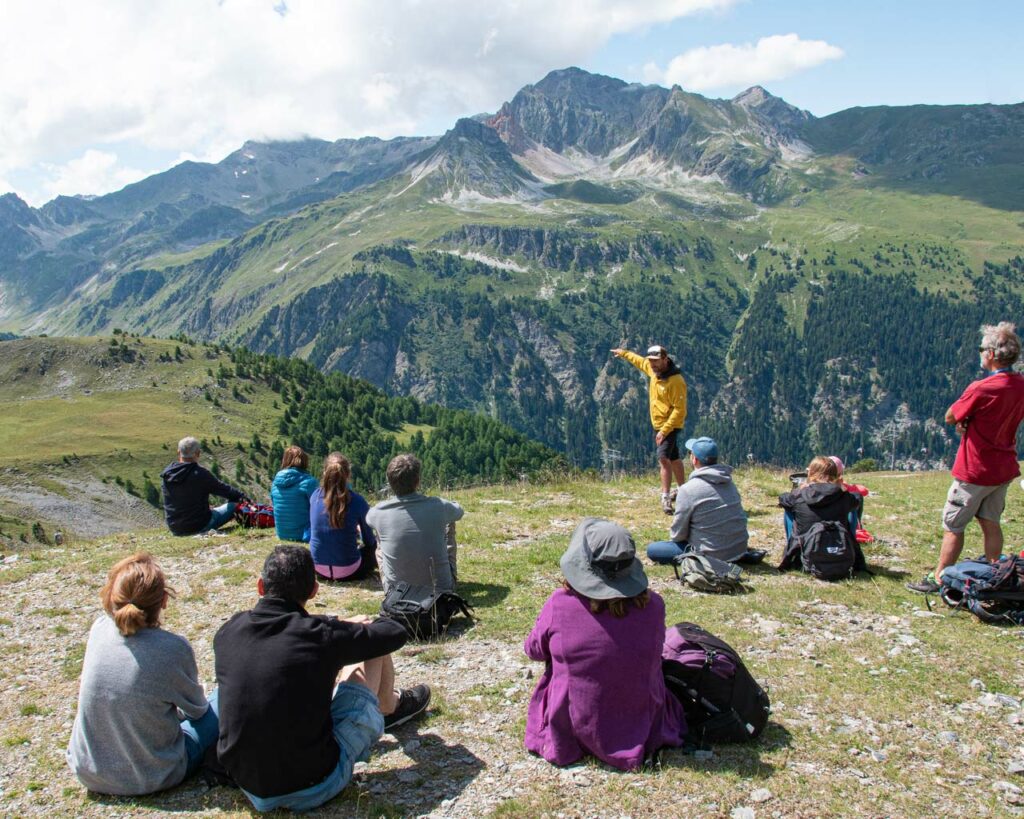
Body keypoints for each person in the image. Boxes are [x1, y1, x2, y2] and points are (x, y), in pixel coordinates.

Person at [213, 546, 431, 812]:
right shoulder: (319, 636)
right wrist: (354, 625)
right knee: (371, 643)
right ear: (314, 591)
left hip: (246, 782)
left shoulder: (228, 631)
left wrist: (332, 624)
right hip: (313, 784)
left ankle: (387, 706)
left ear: (260, 586)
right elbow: (393, 634)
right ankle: (388, 707)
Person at [524, 518, 685, 771]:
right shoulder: (654, 606)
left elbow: (533, 650)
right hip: (641, 718)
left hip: (574, 722)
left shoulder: (560, 604)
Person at [66, 553, 218, 795]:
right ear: (164, 600)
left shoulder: (99, 629)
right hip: (152, 776)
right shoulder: (173, 648)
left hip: (88, 770)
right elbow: (197, 711)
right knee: (219, 700)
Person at [908, 322, 1024, 594]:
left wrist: (966, 420)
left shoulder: (982, 388)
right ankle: (998, 576)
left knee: (953, 525)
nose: (980, 353)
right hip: (1004, 467)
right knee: (990, 521)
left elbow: (950, 416)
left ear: (992, 354)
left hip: (975, 470)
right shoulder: (1020, 385)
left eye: (982, 349)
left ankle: (938, 578)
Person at [366, 453, 463, 595]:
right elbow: (459, 511)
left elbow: (368, 519)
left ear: (390, 482)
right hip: (441, 591)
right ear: (417, 481)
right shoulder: (439, 506)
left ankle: (396, 578)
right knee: (449, 521)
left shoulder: (377, 512)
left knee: (380, 537)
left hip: (397, 594)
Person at [646, 436, 749, 565]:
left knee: (653, 550)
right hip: (738, 550)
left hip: (710, 555)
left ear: (694, 459)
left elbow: (677, 535)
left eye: (690, 453)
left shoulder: (688, 489)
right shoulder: (729, 483)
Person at [611, 345, 687, 514]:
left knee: (663, 459)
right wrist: (624, 353)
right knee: (674, 458)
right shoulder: (653, 370)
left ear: (665, 360)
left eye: (656, 361)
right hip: (659, 424)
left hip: (669, 425)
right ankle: (684, 491)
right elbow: (639, 361)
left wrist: (664, 431)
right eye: (651, 361)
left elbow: (679, 410)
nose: (652, 364)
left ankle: (666, 497)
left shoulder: (676, 381)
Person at [309, 452, 378, 581]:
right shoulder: (357, 501)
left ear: (324, 473)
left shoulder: (315, 497)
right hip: (350, 571)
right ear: (348, 475)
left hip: (318, 569)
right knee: (373, 547)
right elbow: (369, 540)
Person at [161, 436, 246, 535]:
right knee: (236, 504)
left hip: (175, 528)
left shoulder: (168, 473)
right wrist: (243, 497)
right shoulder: (200, 473)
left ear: (178, 452)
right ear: (198, 453)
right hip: (199, 525)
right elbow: (225, 491)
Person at [778, 455, 861, 542]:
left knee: (788, 508)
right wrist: (843, 489)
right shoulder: (842, 495)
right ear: (836, 475)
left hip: (806, 549)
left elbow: (783, 498)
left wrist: (800, 489)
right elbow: (857, 498)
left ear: (810, 473)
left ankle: (793, 545)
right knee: (852, 508)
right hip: (839, 548)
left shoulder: (800, 494)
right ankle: (851, 542)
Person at [270, 445, 319, 542]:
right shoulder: (310, 482)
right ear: (304, 461)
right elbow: (319, 508)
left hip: (282, 534)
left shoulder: (275, 483)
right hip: (305, 534)